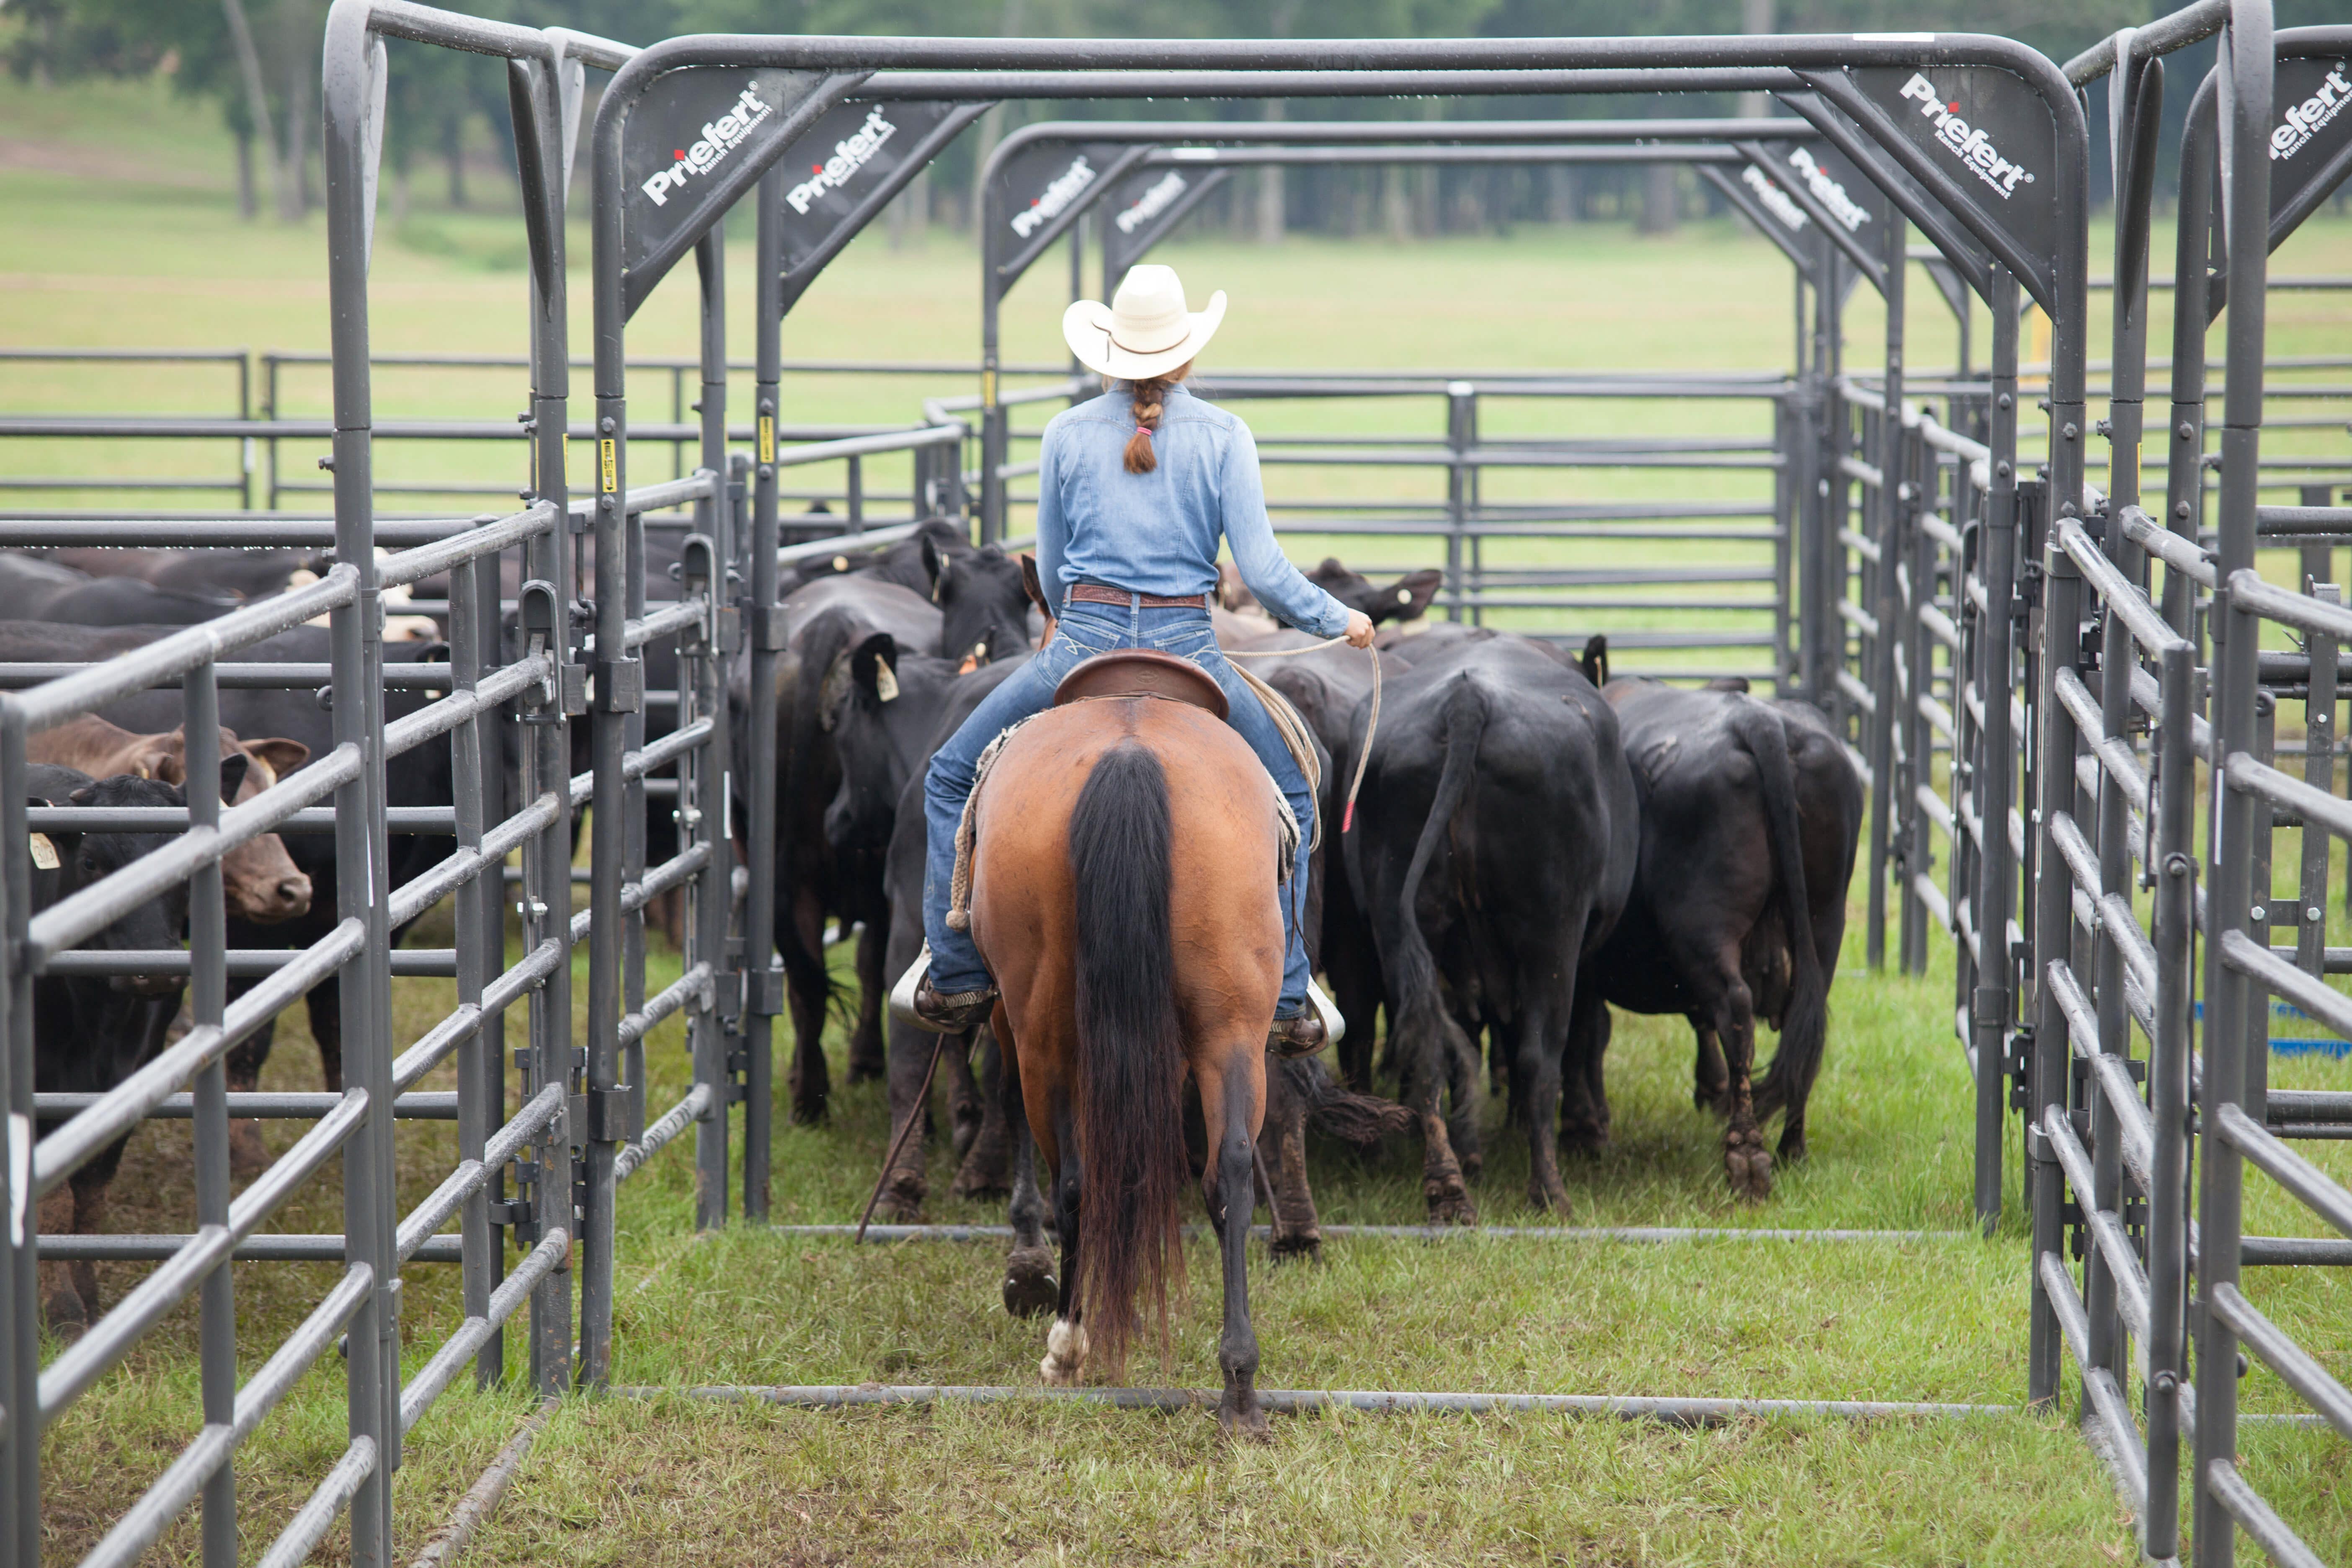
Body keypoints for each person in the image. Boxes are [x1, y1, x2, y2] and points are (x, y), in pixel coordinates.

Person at [906, 264, 1375, 1053]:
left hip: (1079, 646)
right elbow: (1261, 573)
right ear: (1187, 353)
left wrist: (1080, 621)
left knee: (951, 774)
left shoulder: (1064, 433)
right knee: (1295, 792)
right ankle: (1291, 990)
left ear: (1108, 354)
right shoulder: (1226, 436)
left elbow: (1050, 572)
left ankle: (954, 972)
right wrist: (1343, 617)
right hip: (1191, 650)